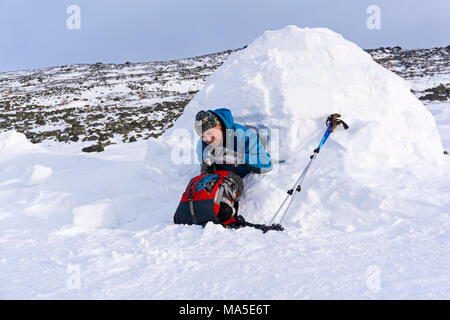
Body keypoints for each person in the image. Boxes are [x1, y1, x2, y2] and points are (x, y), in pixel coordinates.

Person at [195, 108, 272, 179]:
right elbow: (208, 174)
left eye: (210, 132)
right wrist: (208, 170)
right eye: (203, 136)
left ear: (219, 126)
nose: (207, 139)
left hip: (252, 183)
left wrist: (238, 157)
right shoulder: (202, 146)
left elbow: (267, 163)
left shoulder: (243, 135)